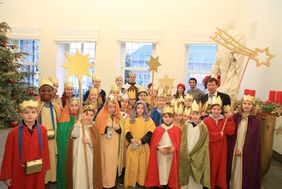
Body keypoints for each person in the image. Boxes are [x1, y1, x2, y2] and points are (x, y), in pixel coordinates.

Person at [0, 100, 50, 189]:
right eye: (26, 112)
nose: (30, 115)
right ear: (21, 115)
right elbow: (8, 155)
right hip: (20, 171)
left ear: (37, 114)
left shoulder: (42, 130)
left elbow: (45, 149)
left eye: (33, 112)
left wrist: (45, 166)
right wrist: (7, 175)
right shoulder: (13, 133)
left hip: (37, 169)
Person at [227, 90, 261, 189]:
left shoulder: (255, 121)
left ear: (252, 106)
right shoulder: (236, 117)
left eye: (249, 104)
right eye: (245, 103)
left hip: (246, 152)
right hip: (234, 149)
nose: (246, 106)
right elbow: (232, 134)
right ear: (241, 105)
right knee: (233, 168)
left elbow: (254, 142)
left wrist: (242, 149)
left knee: (244, 171)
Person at [66, 104, 103, 189]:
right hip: (78, 156)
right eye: (86, 114)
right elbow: (74, 135)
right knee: (79, 173)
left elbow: (97, 144)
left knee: (89, 174)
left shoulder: (93, 129)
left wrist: (89, 141)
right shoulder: (77, 126)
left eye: (91, 115)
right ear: (82, 115)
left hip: (89, 157)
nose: (89, 117)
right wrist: (78, 123)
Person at [145, 106, 181, 189]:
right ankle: (161, 183)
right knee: (161, 168)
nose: (167, 119)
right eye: (165, 117)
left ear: (173, 117)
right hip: (160, 153)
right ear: (162, 117)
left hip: (171, 154)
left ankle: (169, 183)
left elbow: (178, 143)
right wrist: (159, 148)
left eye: (170, 117)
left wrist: (173, 148)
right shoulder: (158, 129)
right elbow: (154, 143)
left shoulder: (177, 129)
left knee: (169, 169)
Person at [203, 96, 235, 189]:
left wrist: (229, 119)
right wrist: (217, 135)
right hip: (211, 148)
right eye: (214, 109)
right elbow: (204, 135)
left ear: (221, 110)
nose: (216, 111)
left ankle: (219, 183)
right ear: (210, 110)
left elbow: (230, 131)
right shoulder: (206, 121)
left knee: (220, 166)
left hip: (222, 147)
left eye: (218, 109)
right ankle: (210, 184)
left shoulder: (224, 120)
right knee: (211, 166)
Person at [211, 20, 246, 101]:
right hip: (222, 60)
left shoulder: (238, 35)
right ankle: (223, 86)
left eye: (224, 24)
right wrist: (213, 78)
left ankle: (225, 87)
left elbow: (239, 56)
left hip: (231, 64)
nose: (222, 26)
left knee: (229, 85)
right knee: (223, 77)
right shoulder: (221, 37)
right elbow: (218, 56)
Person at [124, 100, 156, 188]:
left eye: (142, 108)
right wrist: (131, 139)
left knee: (143, 166)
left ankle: (141, 181)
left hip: (143, 146)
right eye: (138, 108)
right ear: (135, 109)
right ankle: (131, 181)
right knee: (132, 166)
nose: (140, 110)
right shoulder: (129, 120)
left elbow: (150, 132)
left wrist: (142, 141)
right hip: (133, 145)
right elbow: (127, 131)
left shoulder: (149, 120)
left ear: (145, 109)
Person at [179, 100, 210, 189]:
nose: (195, 116)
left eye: (197, 114)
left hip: (197, 155)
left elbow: (204, 143)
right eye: (193, 114)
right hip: (186, 153)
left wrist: (198, 154)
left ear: (200, 114)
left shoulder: (203, 127)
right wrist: (184, 152)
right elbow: (182, 140)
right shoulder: (185, 126)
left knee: (195, 177)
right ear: (190, 115)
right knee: (185, 175)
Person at [37, 79, 61, 184]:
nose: (46, 93)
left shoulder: (56, 106)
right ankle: (44, 178)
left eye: (49, 90)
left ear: (52, 92)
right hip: (40, 138)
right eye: (43, 90)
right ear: (39, 92)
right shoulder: (36, 106)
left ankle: (53, 177)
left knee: (52, 155)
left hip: (53, 137)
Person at [95, 95, 121, 188]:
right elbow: (98, 129)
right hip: (105, 143)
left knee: (113, 163)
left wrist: (118, 128)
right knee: (105, 162)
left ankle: (112, 182)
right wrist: (107, 128)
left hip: (114, 142)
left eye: (114, 107)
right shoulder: (101, 115)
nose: (112, 109)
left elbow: (122, 131)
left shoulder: (117, 116)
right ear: (106, 106)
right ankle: (104, 182)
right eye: (110, 107)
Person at [56, 97, 79, 189]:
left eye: (76, 105)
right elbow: (61, 136)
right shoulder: (64, 118)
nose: (74, 108)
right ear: (68, 106)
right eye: (72, 105)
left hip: (78, 149)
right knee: (66, 167)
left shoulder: (81, 117)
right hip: (67, 148)